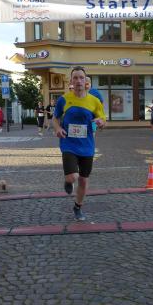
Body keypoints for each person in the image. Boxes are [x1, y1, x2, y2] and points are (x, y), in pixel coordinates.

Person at [52, 66, 106, 221]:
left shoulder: (94, 101)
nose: (78, 81)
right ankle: (68, 180)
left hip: (87, 145)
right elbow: (55, 118)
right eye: (75, 78)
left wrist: (101, 122)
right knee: (73, 177)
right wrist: (58, 128)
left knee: (83, 179)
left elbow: (103, 119)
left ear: (86, 81)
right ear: (71, 81)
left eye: (81, 78)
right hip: (68, 143)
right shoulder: (64, 99)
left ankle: (78, 207)